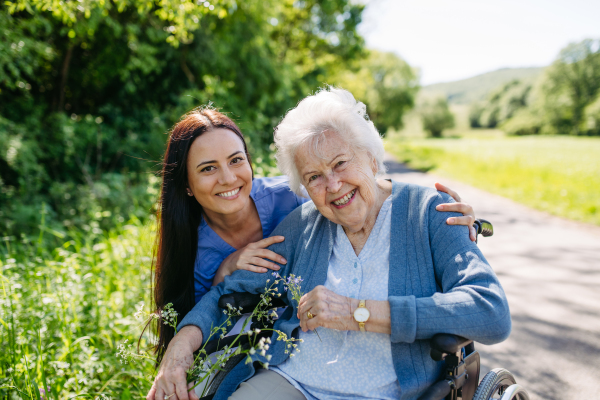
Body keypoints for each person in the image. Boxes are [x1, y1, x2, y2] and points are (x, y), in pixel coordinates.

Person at [147, 89, 511, 400]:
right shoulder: (301, 226)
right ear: (303, 188)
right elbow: (226, 294)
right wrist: (178, 350)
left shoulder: (429, 212)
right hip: (294, 381)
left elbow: (490, 312)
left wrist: (358, 313)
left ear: (370, 155)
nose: (333, 185)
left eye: (340, 163)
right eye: (314, 177)